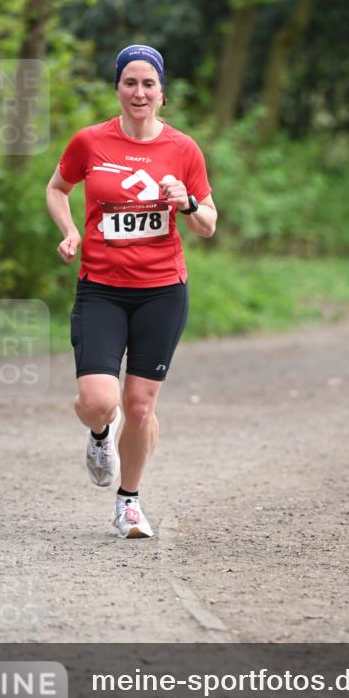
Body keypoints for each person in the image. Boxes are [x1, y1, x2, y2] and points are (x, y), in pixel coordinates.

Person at [45, 44, 217, 539]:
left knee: (140, 406)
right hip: (101, 288)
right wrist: (70, 231)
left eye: (148, 84)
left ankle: (129, 503)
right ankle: (100, 434)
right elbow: (57, 188)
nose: (139, 92)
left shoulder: (183, 149)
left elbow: (208, 224)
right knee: (97, 401)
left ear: (162, 94)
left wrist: (187, 203)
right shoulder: (90, 141)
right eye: (130, 83)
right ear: (118, 89)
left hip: (162, 291)